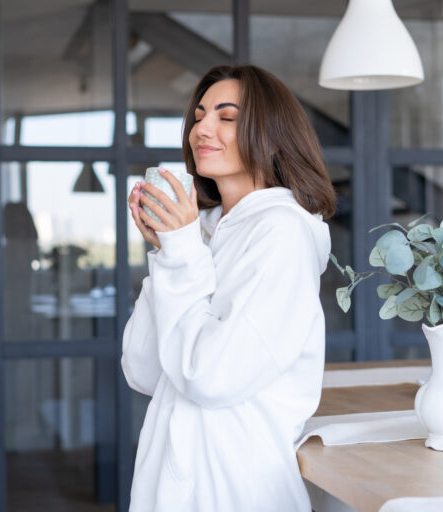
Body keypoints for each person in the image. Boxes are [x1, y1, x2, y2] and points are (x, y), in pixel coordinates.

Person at [122, 64, 336, 512]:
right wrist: (166, 252)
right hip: (172, 482)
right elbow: (142, 371)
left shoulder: (283, 233)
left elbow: (210, 377)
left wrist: (180, 253)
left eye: (227, 116)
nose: (202, 127)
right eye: (199, 115)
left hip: (236, 486)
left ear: (273, 136)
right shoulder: (201, 232)